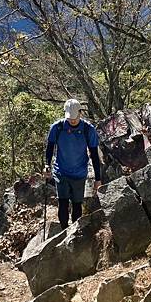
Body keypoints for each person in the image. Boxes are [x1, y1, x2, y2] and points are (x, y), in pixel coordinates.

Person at [44, 98, 102, 229]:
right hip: (61, 172)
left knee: (77, 206)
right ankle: (64, 232)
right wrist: (47, 165)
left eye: (74, 117)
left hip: (79, 173)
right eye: (70, 118)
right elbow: (50, 147)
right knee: (63, 203)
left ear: (80, 113)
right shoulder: (57, 127)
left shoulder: (88, 129)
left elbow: (94, 154)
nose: (72, 120)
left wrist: (98, 179)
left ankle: (74, 233)